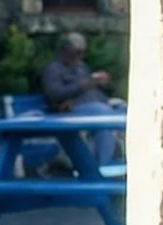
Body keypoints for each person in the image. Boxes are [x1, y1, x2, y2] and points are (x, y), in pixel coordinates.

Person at [39, 32, 120, 168]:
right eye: (76, 52)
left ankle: (102, 163)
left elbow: (91, 88)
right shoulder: (53, 69)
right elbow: (55, 94)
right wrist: (81, 86)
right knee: (103, 113)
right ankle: (101, 165)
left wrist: (100, 83)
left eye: (82, 52)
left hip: (93, 106)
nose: (79, 56)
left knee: (118, 109)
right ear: (64, 50)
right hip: (69, 110)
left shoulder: (82, 67)